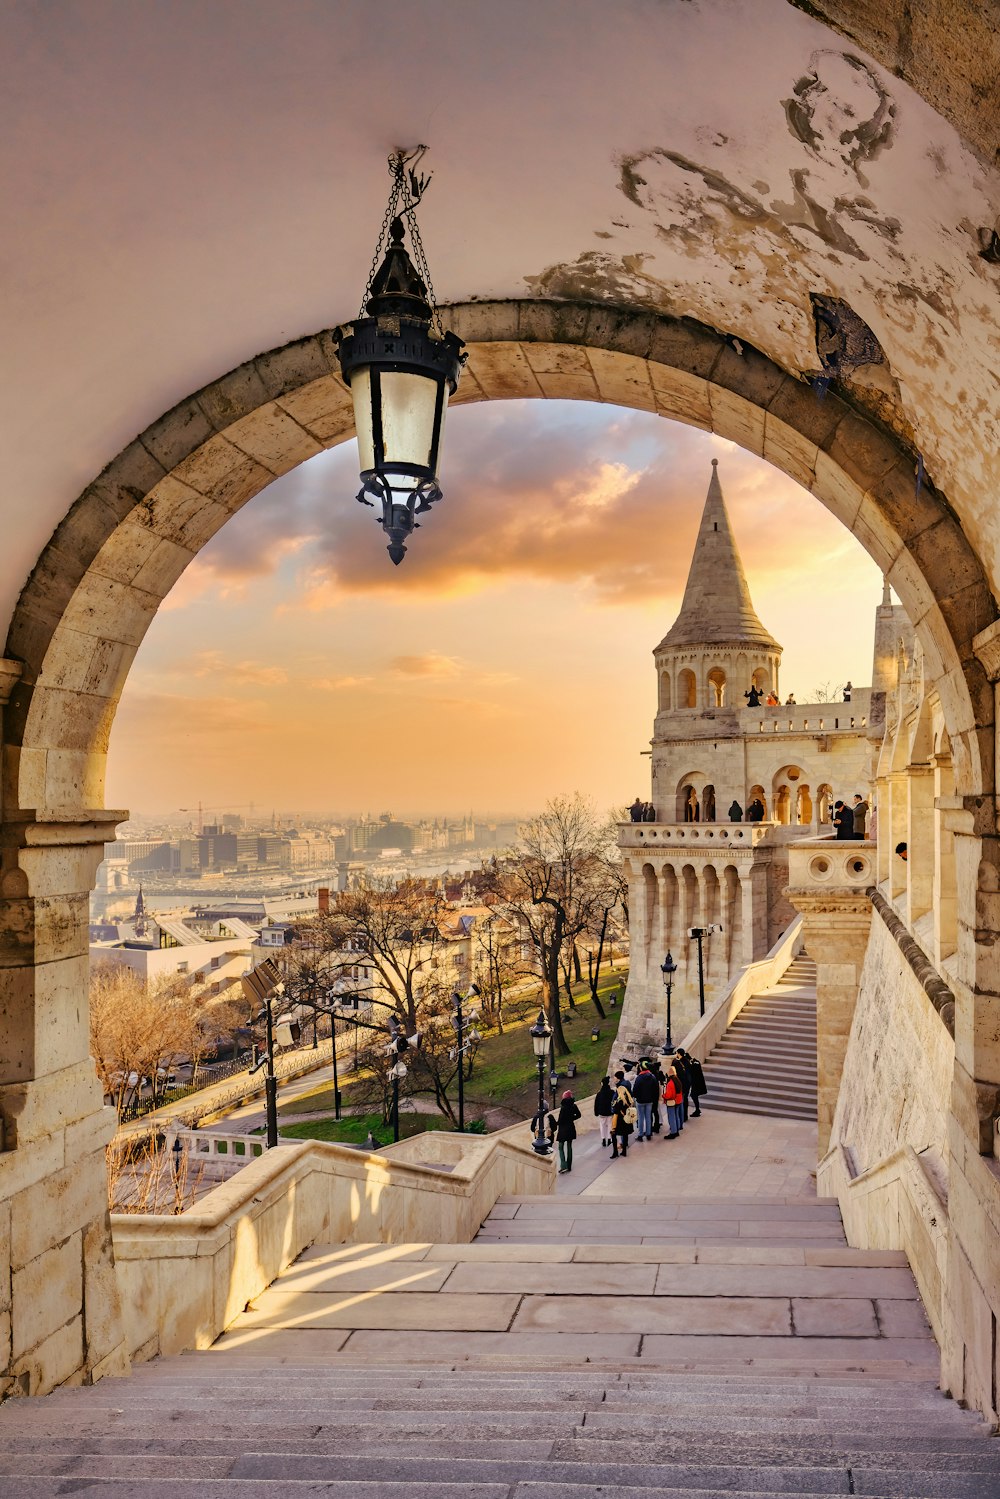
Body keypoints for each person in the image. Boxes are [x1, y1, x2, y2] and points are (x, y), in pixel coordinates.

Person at [631, 1059, 659, 1141]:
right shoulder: (653, 1077)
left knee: (640, 1118)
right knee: (648, 1117)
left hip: (640, 1101)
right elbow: (655, 1090)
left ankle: (640, 1135)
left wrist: (636, 1096)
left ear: (641, 1068)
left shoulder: (639, 1078)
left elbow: (635, 1090)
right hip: (649, 1101)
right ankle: (648, 1133)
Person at [555, 1089, 581, 1173]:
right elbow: (578, 1115)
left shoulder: (563, 1107)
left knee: (560, 1147)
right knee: (569, 1146)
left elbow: (560, 1120)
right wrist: (571, 1119)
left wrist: (556, 1123)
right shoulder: (574, 1106)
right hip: (571, 1128)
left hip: (563, 1129)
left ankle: (563, 1165)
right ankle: (569, 1165)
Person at [610, 1072, 634, 1159]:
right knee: (625, 1133)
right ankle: (624, 1151)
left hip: (619, 1116)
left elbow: (615, 1106)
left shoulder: (619, 1095)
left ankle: (615, 1152)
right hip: (626, 1115)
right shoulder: (628, 1092)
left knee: (613, 1133)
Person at [677, 1048, 707, 1116]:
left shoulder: (691, 1064)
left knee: (693, 1095)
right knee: (694, 1095)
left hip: (695, 1082)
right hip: (698, 1081)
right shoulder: (696, 1062)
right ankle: (697, 1109)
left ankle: (697, 1110)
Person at [593, 1075, 614, 1148]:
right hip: (610, 1112)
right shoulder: (611, 1092)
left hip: (602, 1112)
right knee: (610, 1125)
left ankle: (603, 1139)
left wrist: (596, 1112)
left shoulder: (599, 1094)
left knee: (602, 1126)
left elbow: (596, 1104)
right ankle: (609, 1139)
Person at [662, 1067, 683, 1138]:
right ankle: (677, 1129)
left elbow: (669, 1095)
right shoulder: (678, 1080)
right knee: (676, 1116)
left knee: (671, 1117)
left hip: (672, 1102)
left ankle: (673, 1132)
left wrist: (663, 1096)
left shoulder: (670, 1083)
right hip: (678, 1101)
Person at [672, 1050, 690, 1123]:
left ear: (679, 1054)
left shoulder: (678, 1063)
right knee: (685, 1100)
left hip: (681, 1085)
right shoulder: (687, 1061)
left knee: (680, 1101)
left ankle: (681, 1117)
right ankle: (684, 1116)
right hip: (687, 1084)